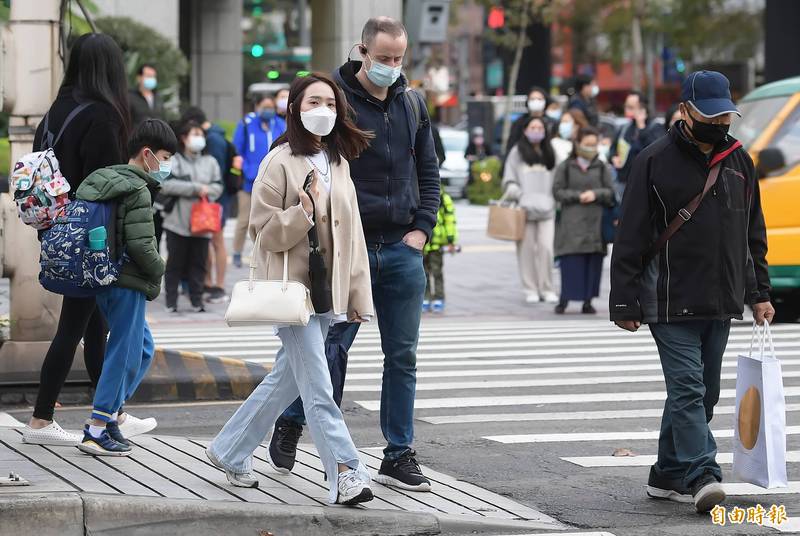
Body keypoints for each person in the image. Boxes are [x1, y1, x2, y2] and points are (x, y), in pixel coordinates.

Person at [269, 17, 440, 492]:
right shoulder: (334, 103)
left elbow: (429, 170)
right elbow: (308, 161)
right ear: (361, 50)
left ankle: (399, 453)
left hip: (403, 246)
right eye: (382, 57)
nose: (391, 67)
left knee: (402, 355)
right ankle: (296, 421)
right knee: (331, 347)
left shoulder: (411, 103)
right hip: (349, 246)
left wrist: (421, 230)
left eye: (398, 58)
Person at [206, 73, 375, 506]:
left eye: (332, 104)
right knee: (317, 385)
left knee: (287, 380)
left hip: (323, 292)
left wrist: (357, 296)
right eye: (315, 102)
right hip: (289, 292)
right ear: (296, 108)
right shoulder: (279, 161)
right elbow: (260, 232)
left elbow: (351, 234)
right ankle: (345, 472)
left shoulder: (338, 162)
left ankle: (228, 450)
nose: (325, 110)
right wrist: (303, 210)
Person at [610, 70, 775, 514]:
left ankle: (666, 474)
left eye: (726, 114)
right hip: (667, 298)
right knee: (686, 389)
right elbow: (631, 235)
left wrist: (759, 292)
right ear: (685, 110)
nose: (720, 122)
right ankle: (703, 472)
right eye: (711, 114)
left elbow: (751, 233)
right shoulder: (653, 159)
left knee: (703, 393)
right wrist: (624, 300)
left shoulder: (741, 162)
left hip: (720, 299)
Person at [23, 33, 152, 445]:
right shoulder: (105, 117)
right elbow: (108, 185)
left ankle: (110, 411)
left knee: (93, 326)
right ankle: (42, 421)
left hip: (59, 231)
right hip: (92, 237)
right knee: (75, 327)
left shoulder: (54, 112)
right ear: (112, 69)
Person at [74, 119, 174, 455]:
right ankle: (97, 426)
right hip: (127, 280)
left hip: (100, 277)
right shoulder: (138, 190)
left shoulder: (102, 179)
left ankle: (111, 416)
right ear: (147, 155)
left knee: (142, 347)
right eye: (164, 157)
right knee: (122, 351)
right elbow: (143, 246)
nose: (166, 165)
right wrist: (161, 272)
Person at [160, 121, 224, 313]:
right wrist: (196, 188)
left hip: (203, 224)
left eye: (200, 134)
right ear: (184, 138)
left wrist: (206, 190)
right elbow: (166, 185)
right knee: (174, 263)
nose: (198, 138)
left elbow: (218, 187)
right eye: (194, 134)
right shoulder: (175, 160)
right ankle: (171, 301)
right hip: (177, 223)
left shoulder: (210, 162)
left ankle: (197, 300)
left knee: (199, 263)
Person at [552, 126, 614, 315]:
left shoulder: (601, 166)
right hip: (572, 223)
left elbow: (611, 192)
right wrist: (578, 196)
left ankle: (588, 301)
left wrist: (595, 194)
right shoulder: (566, 166)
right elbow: (557, 191)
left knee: (592, 264)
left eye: (594, 144)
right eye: (587, 144)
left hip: (595, 223)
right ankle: (565, 299)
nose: (591, 148)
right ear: (577, 144)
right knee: (571, 263)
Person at [180, 106, 235, 304]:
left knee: (215, 242)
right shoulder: (215, 136)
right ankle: (209, 283)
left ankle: (217, 285)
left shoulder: (213, 140)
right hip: (213, 198)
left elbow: (216, 175)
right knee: (209, 242)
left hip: (216, 199)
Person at [503, 116, 559, 304]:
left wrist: (555, 199)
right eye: (532, 127)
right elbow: (509, 179)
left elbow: (559, 179)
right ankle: (530, 288)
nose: (536, 131)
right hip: (525, 209)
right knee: (526, 250)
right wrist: (517, 193)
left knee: (546, 249)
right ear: (525, 130)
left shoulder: (552, 152)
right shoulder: (517, 152)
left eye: (540, 127)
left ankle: (547, 288)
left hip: (548, 209)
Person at [232, 95, 287, 268]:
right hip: (249, 181)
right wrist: (245, 169)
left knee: (272, 219)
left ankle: (269, 254)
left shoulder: (280, 124)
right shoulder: (247, 124)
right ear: (257, 107)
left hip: (274, 181)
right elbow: (237, 150)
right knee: (244, 220)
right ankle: (236, 252)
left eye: (271, 107)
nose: (268, 110)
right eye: (265, 107)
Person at [609, 92, 662, 190]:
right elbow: (613, 149)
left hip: (644, 182)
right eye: (626, 106)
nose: (627, 110)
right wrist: (613, 158)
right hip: (624, 181)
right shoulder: (624, 128)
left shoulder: (654, 127)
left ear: (643, 108)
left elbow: (654, 152)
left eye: (631, 107)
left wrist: (641, 127)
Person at [423, 190, 457, 313]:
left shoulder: (443, 197)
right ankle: (425, 298)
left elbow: (450, 219)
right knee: (422, 273)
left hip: (436, 243)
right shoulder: (417, 192)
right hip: (421, 243)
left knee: (436, 272)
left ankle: (439, 298)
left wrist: (451, 239)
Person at [507, 86, 554, 152]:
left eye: (539, 99)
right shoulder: (519, 123)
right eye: (532, 99)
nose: (536, 101)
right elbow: (512, 144)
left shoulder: (552, 123)